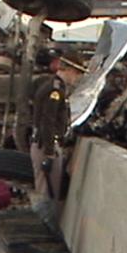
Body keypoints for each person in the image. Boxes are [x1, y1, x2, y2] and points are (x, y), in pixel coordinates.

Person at [30, 51, 87, 198]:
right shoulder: (55, 90)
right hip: (46, 145)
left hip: (46, 144)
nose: (76, 78)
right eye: (77, 74)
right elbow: (47, 121)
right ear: (69, 70)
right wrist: (49, 152)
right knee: (47, 193)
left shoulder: (57, 87)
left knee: (51, 190)